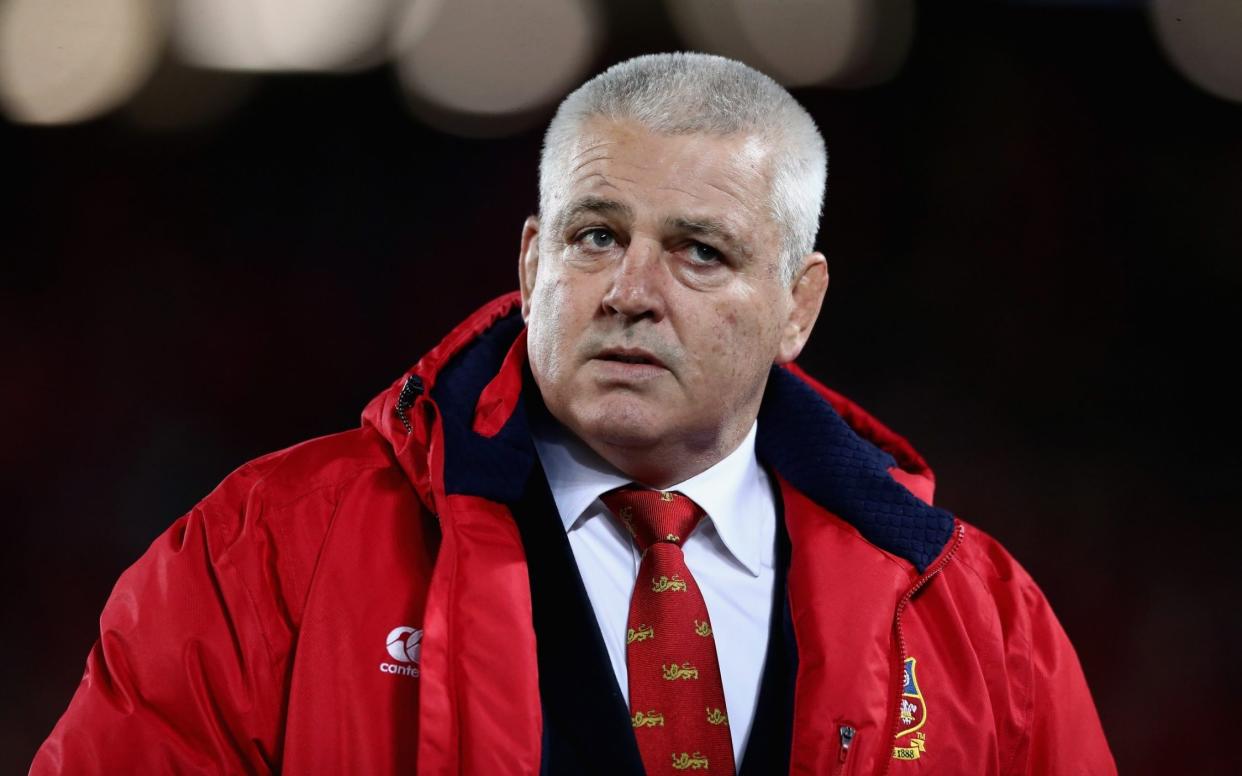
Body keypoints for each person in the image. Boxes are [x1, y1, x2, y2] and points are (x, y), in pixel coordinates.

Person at [31, 53, 1115, 775]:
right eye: (597, 235)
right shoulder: (265, 556)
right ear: (531, 257)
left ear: (800, 304)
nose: (632, 289)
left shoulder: (980, 625)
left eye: (700, 250)